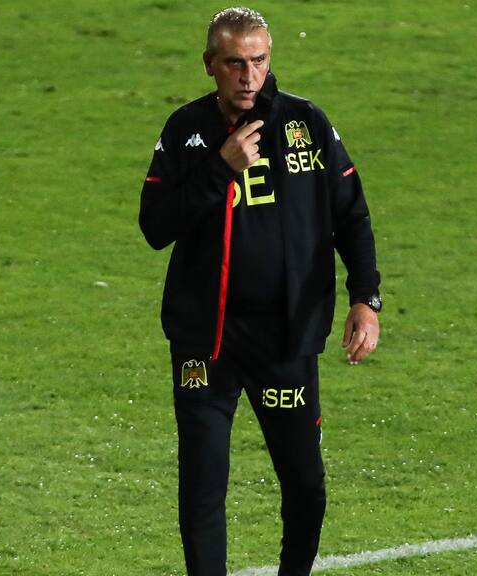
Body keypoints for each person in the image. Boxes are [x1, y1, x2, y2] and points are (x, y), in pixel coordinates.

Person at [139, 7, 382, 576]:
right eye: (234, 63)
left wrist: (365, 299)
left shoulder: (306, 123)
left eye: (259, 61)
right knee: (202, 487)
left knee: (305, 485)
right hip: (206, 344)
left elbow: (351, 216)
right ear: (209, 65)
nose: (248, 76)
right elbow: (155, 226)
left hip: (284, 342)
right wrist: (220, 168)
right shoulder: (186, 130)